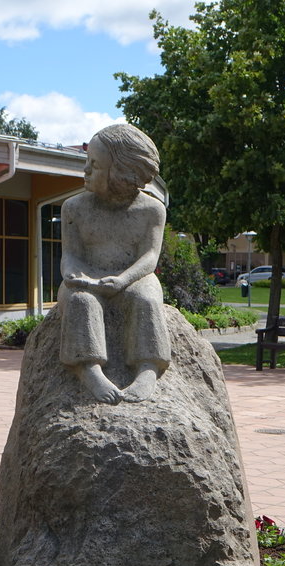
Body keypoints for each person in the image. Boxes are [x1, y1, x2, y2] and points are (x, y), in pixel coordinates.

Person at [58, 123, 170, 404]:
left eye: (94, 165)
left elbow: (149, 257)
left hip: (134, 277)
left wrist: (123, 280)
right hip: (87, 277)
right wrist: (72, 274)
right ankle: (89, 370)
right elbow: (70, 255)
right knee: (80, 301)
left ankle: (147, 369)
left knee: (146, 300)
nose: (85, 170)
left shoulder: (152, 210)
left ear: (121, 173)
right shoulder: (74, 208)